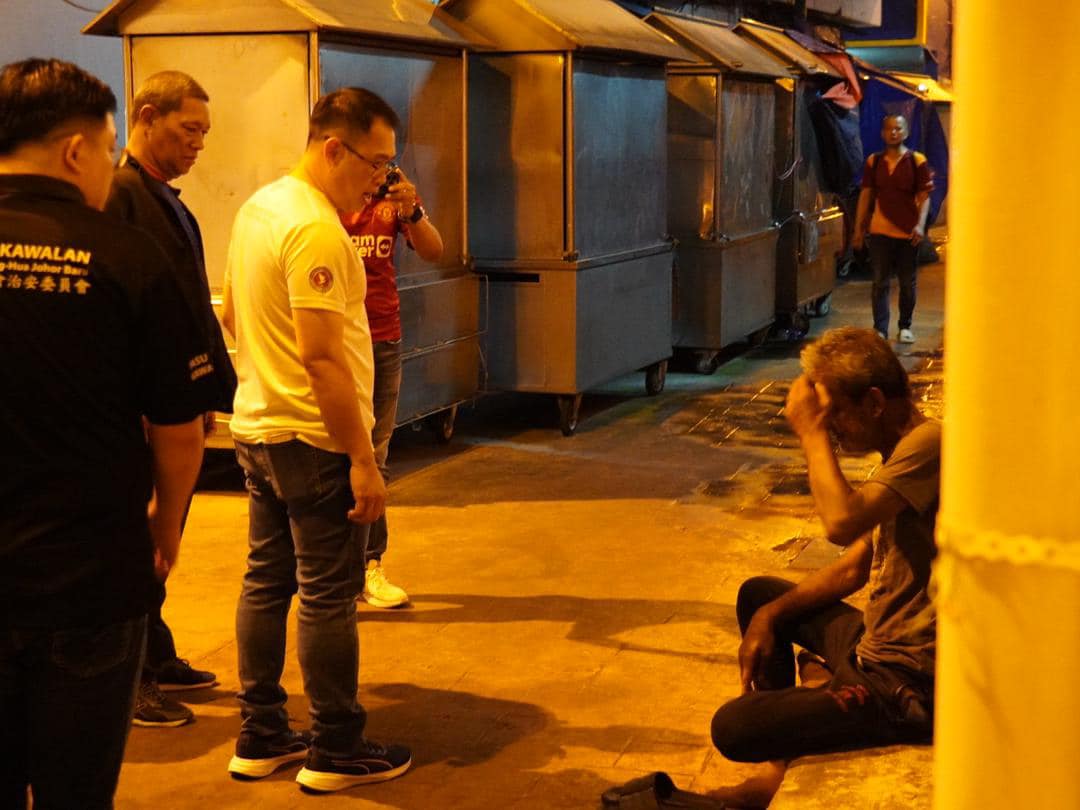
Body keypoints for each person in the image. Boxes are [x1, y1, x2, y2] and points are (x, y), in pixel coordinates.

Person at [0, 58, 210, 809]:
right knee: (76, 791)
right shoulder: (126, 256)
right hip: (89, 578)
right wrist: (166, 521)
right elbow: (180, 431)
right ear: (76, 151)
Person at [221, 86, 410, 792]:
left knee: (265, 584)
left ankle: (261, 733)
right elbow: (324, 355)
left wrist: (267, 379)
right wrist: (363, 458)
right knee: (328, 594)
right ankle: (336, 747)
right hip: (315, 439)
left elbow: (236, 312)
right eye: (376, 162)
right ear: (335, 147)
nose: (382, 179)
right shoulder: (316, 228)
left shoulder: (258, 208)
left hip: (260, 426)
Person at [709, 327, 939, 807]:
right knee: (761, 596)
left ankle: (820, 704)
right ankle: (799, 730)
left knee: (733, 727)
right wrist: (769, 615)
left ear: (874, 403)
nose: (831, 426)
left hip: (904, 683)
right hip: (872, 646)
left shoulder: (930, 443)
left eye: (835, 413)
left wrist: (811, 433)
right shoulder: (901, 455)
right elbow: (854, 567)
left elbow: (839, 523)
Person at [106, 69, 237, 728]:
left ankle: (155, 656)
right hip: (143, 415)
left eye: (204, 134)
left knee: (161, 542)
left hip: (176, 402)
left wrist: (204, 386)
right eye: (190, 129)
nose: (199, 145)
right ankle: (129, 684)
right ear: (147, 116)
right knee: (141, 547)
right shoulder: (123, 196)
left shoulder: (163, 198)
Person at [339, 156, 443, 609]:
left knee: (375, 456)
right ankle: (330, 571)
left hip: (382, 337)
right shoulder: (327, 201)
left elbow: (436, 250)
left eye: (388, 164)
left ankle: (368, 566)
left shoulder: (396, 200)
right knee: (333, 456)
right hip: (336, 339)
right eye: (376, 161)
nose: (383, 173)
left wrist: (413, 211)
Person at [852, 115, 934, 344]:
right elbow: (866, 195)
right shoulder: (874, 162)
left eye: (898, 129)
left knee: (908, 283)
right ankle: (880, 329)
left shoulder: (917, 161)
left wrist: (920, 225)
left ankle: (905, 326)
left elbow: (924, 197)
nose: (893, 133)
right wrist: (858, 230)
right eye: (889, 129)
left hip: (908, 233)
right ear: (882, 133)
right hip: (879, 232)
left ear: (906, 132)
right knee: (879, 281)